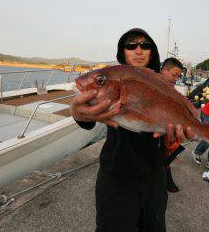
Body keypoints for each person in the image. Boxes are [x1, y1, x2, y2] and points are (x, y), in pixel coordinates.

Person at [70, 28, 194, 232]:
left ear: (152, 52)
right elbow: (87, 116)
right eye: (131, 45)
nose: (139, 50)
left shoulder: (163, 87)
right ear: (123, 52)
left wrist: (185, 135)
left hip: (155, 176)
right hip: (116, 176)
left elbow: (178, 127)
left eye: (145, 45)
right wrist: (76, 112)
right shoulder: (115, 83)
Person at [160, 57, 185, 193]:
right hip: (154, 129)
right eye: (174, 75)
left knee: (165, 156)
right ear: (164, 70)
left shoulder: (171, 88)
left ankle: (167, 181)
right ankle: (167, 182)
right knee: (162, 158)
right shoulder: (152, 83)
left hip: (165, 130)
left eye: (178, 76)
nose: (176, 79)